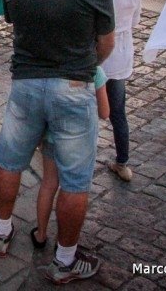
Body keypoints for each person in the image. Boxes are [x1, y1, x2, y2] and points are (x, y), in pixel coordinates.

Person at [0, 0, 114, 284]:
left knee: (9, 161)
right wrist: (81, 61)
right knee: (75, 181)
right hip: (75, 88)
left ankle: (1, 231)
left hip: (26, 84)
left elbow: (17, 23)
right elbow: (105, 45)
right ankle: (64, 260)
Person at [84, 0, 143, 181]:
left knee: (88, 107)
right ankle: (122, 161)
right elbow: (136, 20)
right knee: (118, 110)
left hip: (99, 51)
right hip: (122, 51)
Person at [32, 67, 110, 250]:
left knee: (48, 183)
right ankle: (64, 244)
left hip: (51, 137)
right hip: (79, 142)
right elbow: (105, 112)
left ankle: (41, 234)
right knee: (72, 189)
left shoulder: (53, 68)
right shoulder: (95, 71)